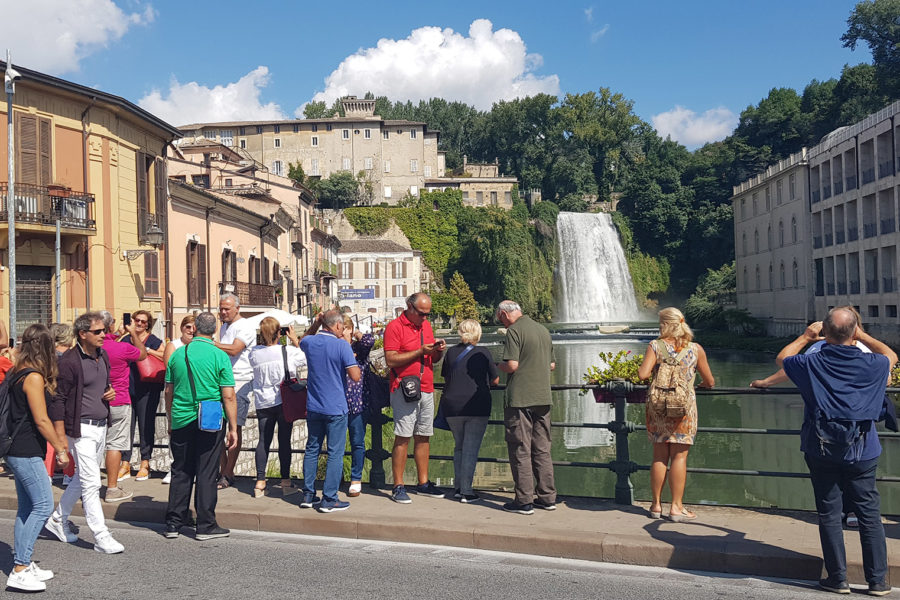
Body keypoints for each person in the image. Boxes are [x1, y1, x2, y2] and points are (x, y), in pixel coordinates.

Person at [778, 308, 897, 596]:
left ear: (825, 333)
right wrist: (862, 334)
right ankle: (878, 581)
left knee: (829, 513)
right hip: (863, 449)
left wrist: (806, 337)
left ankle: (838, 578)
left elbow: (783, 359)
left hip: (821, 447)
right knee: (869, 515)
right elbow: (891, 356)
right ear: (853, 332)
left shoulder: (812, 363)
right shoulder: (873, 364)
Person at [46, 311, 124, 554]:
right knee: (91, 483)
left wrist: (109, 393)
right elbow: (57, 400)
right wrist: (60, 439)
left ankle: (58, 518)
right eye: (98, 331)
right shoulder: (69, 362)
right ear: (83, 334)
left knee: (83, 479)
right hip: (81, 429)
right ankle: (101, 536)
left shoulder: (102, 355)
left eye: (104, 330)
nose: (104, 335)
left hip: (101, 426)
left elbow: (102, 385)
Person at [5, 325, 71, 592]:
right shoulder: (32, 377)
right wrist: (61, 449)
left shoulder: (16, 371)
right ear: (45, 347)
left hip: (17, 448)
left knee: (26, 508)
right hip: (25, 449)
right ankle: (20, 568)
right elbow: (42, 419)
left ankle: (24, 562)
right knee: (43, 506)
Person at [163, 312, 238, 540]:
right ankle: (205, 525)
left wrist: (170, 419)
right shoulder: (219, 356)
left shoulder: (177, 355)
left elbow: (168, 391)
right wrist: (233, 427)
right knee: (206, 472)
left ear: (194, 328)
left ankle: (174, 523)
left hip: (181, 417)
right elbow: (228, 396)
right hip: (210, 419)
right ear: (214, 330)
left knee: (181, 470)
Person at [637, 307, 714, 522]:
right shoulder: (695, 349)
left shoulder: (655, 346)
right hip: (683, 409)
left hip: (658, 408)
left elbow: (643, 374)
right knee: (679, 457)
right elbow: (710, 381)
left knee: (659, 456)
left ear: (663, 324)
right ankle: (676, 507)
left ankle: (655, 506)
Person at [384, 293, 446, 504]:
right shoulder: (394, 327)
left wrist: (438, 351)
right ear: (409, 307)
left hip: (426, 387)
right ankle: (398, 485)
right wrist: (419, 351)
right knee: (403, 436)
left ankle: (423, 482)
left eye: (428, 314)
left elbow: (432, 358)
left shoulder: (426, 327)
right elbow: (391, 360)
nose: (425, 318)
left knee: (423, 435)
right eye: (421, 314)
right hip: (404, 388)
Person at [496, 300, 556, 515]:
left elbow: (512, 365)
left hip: (520, 398)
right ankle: (547, 497)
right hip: (543, 397)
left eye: (499, 318)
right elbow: (551, 365)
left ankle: (524, 500)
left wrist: (496, 366)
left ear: (504, 314)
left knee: (520, 448)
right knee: (542, 448)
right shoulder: (543, 330)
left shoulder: (513, 332)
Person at [299, 310, 361, 512]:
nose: (343, 330)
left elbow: (303, 338)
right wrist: (349, 351)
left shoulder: (310, 343)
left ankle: (308, 495)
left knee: (312, 449)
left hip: (313, 406)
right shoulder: (341, 345)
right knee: (335, 453)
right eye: (342, 327)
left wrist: (316, 323)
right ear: (336, 326)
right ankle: (329, 498)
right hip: (335, 407)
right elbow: (355, 376)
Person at [440, 319, 499, 503]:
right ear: (478, 333)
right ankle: (467, 491)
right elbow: (495, 380)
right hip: (476, 404)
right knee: (470, 449)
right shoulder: (483, 352)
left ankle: (458, 487)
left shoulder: (450, 352)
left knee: (459, 447)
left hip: (452, 405)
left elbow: (446, 375)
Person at [248, 318, 305, 498]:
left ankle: (260, 482)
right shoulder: (288, 351)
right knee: (284, 440)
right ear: (279, 332)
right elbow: (305, 358)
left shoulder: (255, 353)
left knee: (263, 440)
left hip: (262, 402)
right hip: (283, 400)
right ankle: (286, 482)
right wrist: (295, 340)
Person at [100, 311, 145, 503]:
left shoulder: (90, 348)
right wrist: (132, 333)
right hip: (119, 400)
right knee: (115, 445)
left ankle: (86, 485)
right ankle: (112, 488)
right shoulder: (122, 348)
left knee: (93, 445)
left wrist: (117, 334)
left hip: (93, 403)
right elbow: (142, 354)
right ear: (110, 326)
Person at [215, 293, 257, 489]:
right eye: (221, 308)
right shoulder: (224, 326)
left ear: (237, 308)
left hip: (240, 381)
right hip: (223, 380)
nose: (223, 312)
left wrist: (210, 344)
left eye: (227, 309)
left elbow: (234, 349)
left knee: (234, 427)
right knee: (218, 428)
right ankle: (224, 470)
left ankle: (228, 471)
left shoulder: (245, 326)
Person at [119, 310, 165, 482]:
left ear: (148, 325)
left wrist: (148, 351)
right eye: (136, 320)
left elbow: (165, 355)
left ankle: (145, 462)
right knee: (126, 427)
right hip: (127, 387)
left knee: (146, 426)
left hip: (147, 388)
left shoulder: (153, 340)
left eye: (143, 322)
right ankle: (125, 462)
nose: (139, 324)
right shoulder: (124, 339)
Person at [161, 315, 196, 484]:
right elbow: (169, 370)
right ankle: (173, 468)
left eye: (193, 327)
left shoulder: (199, 346)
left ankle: (192, 470)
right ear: (182, 328)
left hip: (196, 395)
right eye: (187, 326)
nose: (190, 330)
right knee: (173, 432)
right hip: (176, 394)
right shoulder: (173, 345)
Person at [342, 315, 374, 497]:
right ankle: (337, 476)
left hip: (358, 401)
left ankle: (356, 478)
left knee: (357, 442)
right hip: (338, 402)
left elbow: (370, 341)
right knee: (336, 444)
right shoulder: (335, 348)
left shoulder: (357, 349)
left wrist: (355, 333)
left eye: (345, 329)